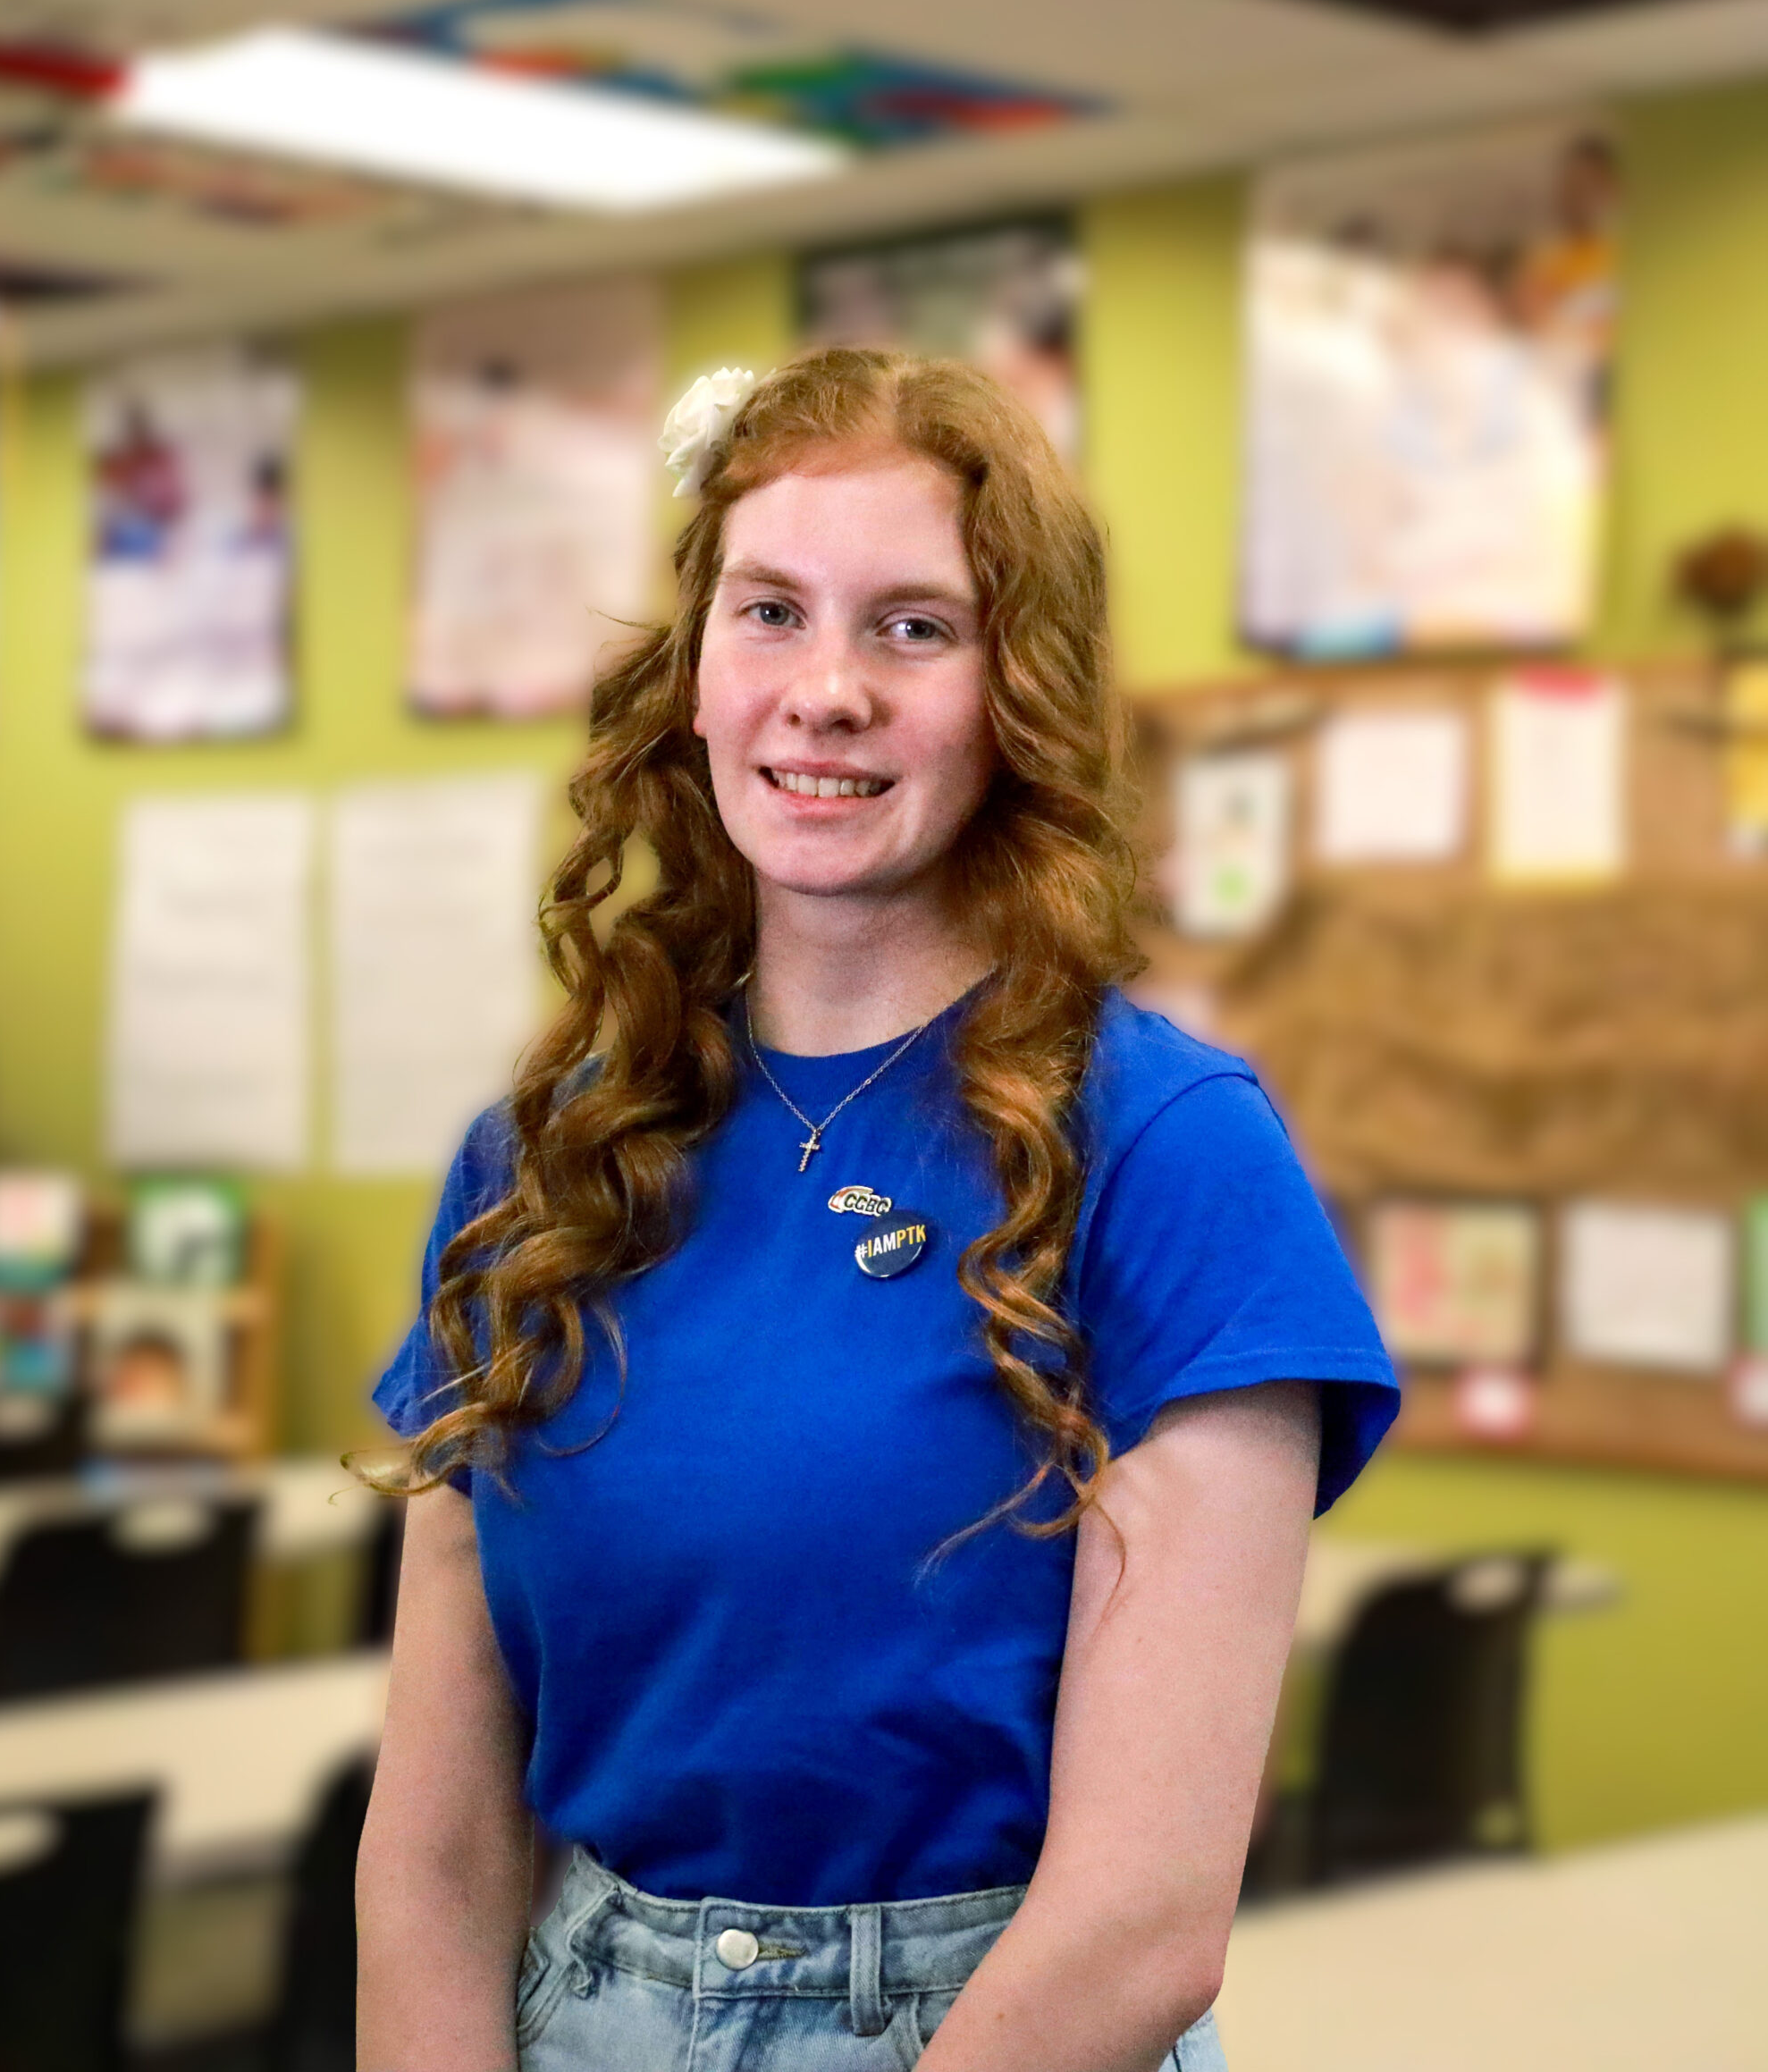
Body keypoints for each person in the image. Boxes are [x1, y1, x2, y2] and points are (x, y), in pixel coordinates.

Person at [358, 347, 1398, 2071]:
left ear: (1020, 696)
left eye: (913, 628)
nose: (823, 690)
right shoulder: (548, 1156)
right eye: (770, 611)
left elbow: (1144, 1920)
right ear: (691, 676)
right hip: (582, 2012)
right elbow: (441, 1840)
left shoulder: (1166, 1146)